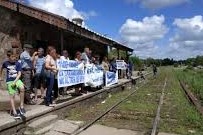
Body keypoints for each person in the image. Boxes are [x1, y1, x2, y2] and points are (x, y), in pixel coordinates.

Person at [0, 50, 25, 119]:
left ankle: (21, 106)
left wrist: (15, 82)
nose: (14, 58)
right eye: (12, 57)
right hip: (10, 81)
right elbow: (1, 68)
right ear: (8, 57)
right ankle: (14, 112)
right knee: (12, 96)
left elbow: (19, 74)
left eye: (15, 57)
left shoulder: (18, 63)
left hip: (17, 79)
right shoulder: (5, 63)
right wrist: (0, 76)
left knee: (22, 88)